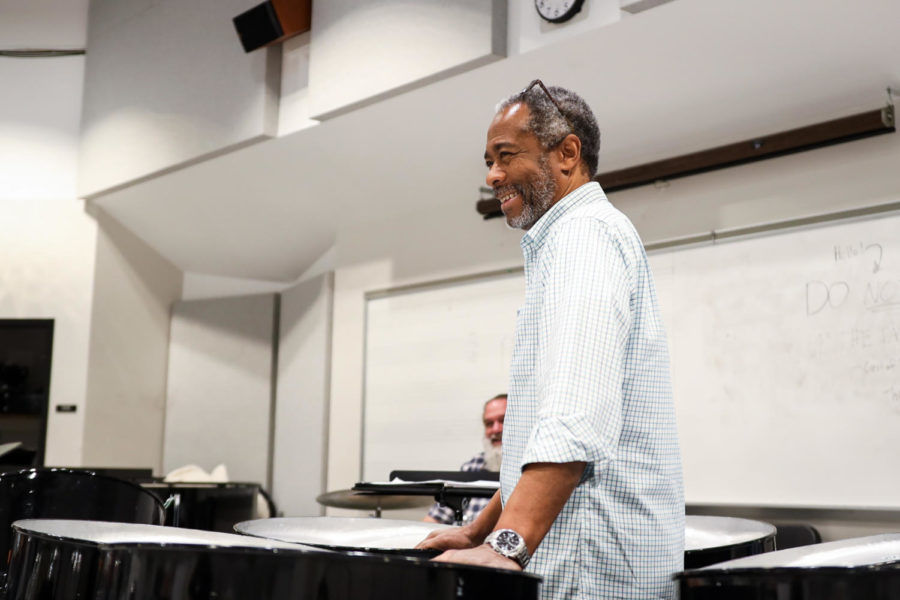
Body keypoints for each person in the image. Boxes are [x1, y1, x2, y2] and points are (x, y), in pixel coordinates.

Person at [416, 81, 684, 600]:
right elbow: (537, 438)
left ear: (567, 153)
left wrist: (505, 547)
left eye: (505, 156)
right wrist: (478, 529)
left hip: (593, 568)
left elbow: (574, 418)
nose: (492, 175)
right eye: (488, 160)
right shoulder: (571, 239)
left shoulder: (583, 236)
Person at [424, 394, 506, 525]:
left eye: (503, 420)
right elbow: (435, 519)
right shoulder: (472, 466)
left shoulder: (532, 469)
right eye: (489, 424)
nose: (495, 429)